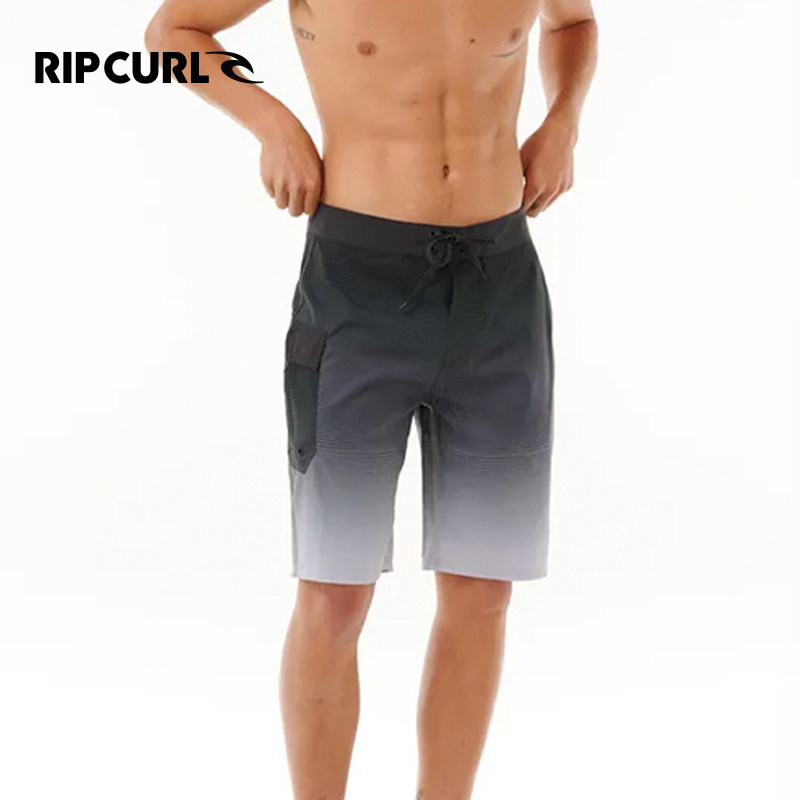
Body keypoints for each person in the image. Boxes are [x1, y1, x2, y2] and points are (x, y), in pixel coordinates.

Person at [145, 0, 598, 797]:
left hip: (500, 286)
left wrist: (563, 121)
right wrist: (273, 124)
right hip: (356, 284)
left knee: (483, 590)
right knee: (334, 594)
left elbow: (574, 23)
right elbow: (170, 33)